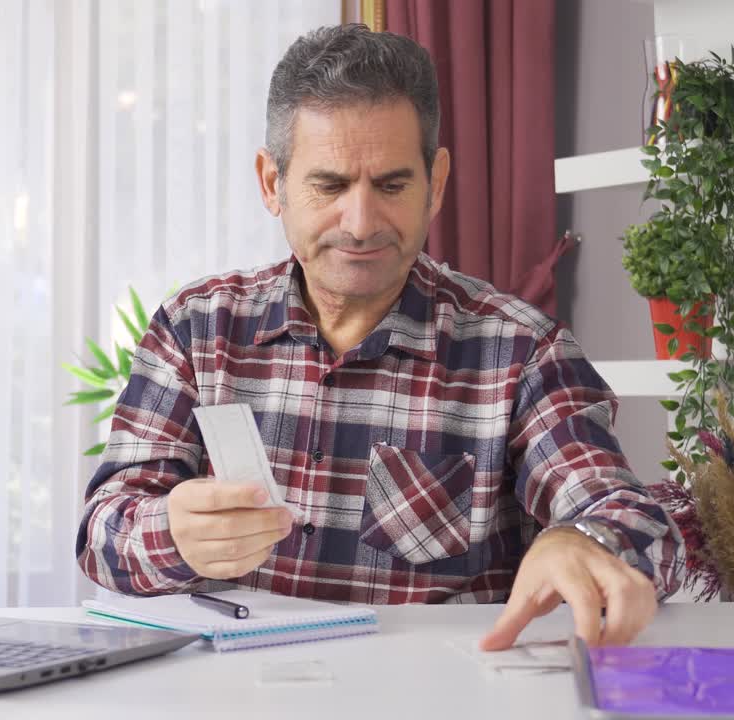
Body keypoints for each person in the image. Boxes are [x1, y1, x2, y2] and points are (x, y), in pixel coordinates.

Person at [76, 23, 682, 650]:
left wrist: (582, 542)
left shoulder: (522, 353)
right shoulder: (196, 329)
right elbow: (100, 536)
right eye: (330, 185)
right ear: (270, 183)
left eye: (392, 186)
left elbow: (637, 523)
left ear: (436, 183)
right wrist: (170, 534)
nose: (361, 223)